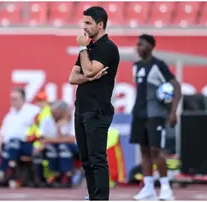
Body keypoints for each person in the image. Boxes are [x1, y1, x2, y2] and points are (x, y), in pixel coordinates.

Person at [68, 6, 120, 200]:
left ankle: (101, 199)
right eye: (83, 22)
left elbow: (88, 70)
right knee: (86, 160)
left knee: (97, 159)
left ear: (100, 24)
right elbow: (73, 77)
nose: (84, 27)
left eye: (88, 23)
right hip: (81, 109)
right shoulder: (89, 48)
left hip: (97, 110)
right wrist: (90, 75)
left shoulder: (107, 47)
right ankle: (93, 196)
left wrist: (83, 51)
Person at [129, 34, 182, 200]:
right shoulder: (136, 66)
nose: (138, 48)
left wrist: (173, 111)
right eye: (137, 45)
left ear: (151, 47)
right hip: (139, 114)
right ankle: (148, 187)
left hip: (155, 115)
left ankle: (166, 188)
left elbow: (176, 86)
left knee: (156, 150)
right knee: (144, 151)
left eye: (141, 45)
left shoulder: (158, 65)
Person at [0, 88, 40, 187]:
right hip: (10, 144)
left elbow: (40, 129)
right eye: (11, 99)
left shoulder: (33, 111)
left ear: (23, 99)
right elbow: (2, 133)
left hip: (26, 144)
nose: (13, 101)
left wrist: (39, 144)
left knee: (13, 143)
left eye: (15, 99)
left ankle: (5, 175)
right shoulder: (10, 114)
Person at [37, 101, 78, 188]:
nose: (53, 116)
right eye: (52, 113)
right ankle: (53, 175)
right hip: (56, 146)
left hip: (76, 147)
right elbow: (42, 139)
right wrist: (58, 132)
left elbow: (71, 139)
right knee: (52, 148)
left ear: (63, 113)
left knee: (63, 147)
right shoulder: (47, 120)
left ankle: (65, 175)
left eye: (56, 114)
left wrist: (49, 139)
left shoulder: (74, 118)